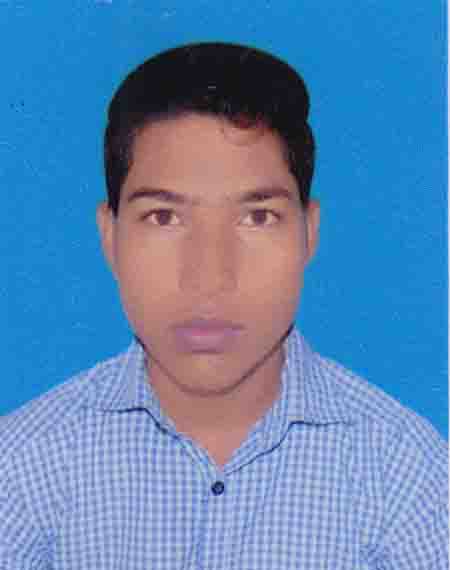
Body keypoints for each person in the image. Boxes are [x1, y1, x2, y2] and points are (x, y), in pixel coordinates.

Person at [0, 42, 447, 569]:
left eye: (257, 218)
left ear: (309, 233)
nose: (209, 277)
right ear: (110, 236)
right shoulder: (23, 468)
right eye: (164, 217)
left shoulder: (408, 474)